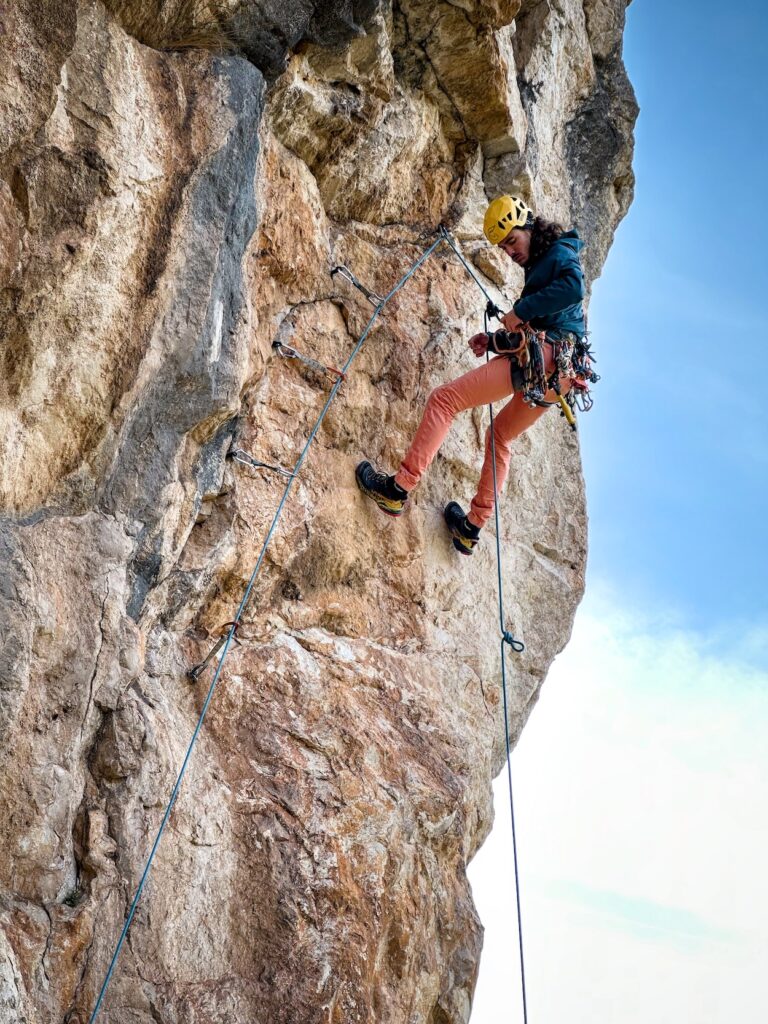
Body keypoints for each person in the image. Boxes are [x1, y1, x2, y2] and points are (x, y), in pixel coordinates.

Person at [356, 195, 587, 555]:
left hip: (547, 360)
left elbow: (574, 288)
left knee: (445, 400)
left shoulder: (558, 253)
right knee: (500, 437)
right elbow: (542, 326)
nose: (509, 252)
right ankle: (470, 528)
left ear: (528, 226)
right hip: (560, 377)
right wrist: (493, 341)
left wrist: (521, 308)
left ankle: (397, 489)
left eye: (512, 240)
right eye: (503, 247)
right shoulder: (543, 266)